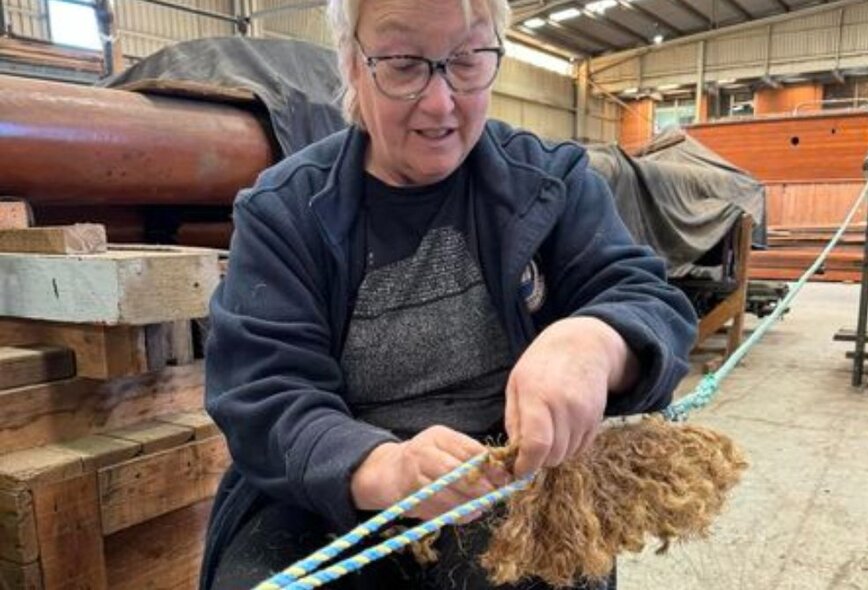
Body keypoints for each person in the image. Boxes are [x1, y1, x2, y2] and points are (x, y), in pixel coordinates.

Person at [199, 0, 698, 588]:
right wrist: (381, 466)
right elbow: (265, 393)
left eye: (466, 60)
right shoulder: (284, 212)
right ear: (354, 66)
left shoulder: (549, 182)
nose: (440, 104)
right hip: (328, 489)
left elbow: (645, 298)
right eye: (405, 63)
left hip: (507, 472)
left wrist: (593, 341)